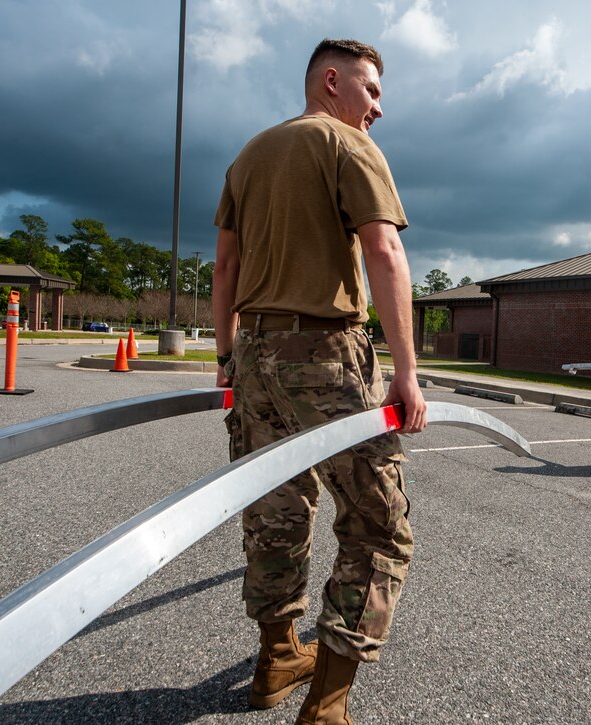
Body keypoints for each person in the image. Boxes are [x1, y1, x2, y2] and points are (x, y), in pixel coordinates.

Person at [211, 38, 427, 723]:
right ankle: (327, 704)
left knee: (274, 509)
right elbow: (384, 251)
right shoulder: (346, 143)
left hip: (254, 354)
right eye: (371, 91)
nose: (378, 109)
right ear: (331, 82)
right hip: (325, 353)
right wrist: (407, 375)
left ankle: (278, 657)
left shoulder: (250, 155)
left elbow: (223, 266)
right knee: (378, 526)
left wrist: (227, 356)